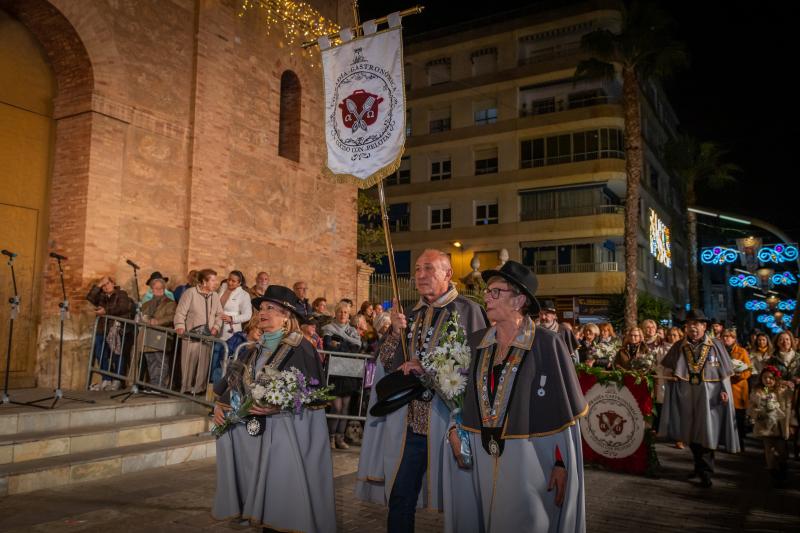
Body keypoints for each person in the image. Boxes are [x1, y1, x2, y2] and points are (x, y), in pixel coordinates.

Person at [443, 260, 587, 533]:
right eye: (487, 291)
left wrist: (561, 464)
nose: (486, 296)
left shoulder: (548, 343)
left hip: (532, 463)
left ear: (519, 299)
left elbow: (564, 415)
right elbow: (461, 400)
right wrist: (454, 427)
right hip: (481, 462)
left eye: (495, 291)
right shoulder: (476, 342)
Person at [355, 249, 488, 533]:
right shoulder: (410, 314)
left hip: (451, 422)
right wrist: (393, 333)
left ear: (448, 274)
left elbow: (478, 367)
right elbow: (390, 365)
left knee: (463, 500)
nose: (420, 275)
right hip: (412, 424)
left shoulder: (469, 311)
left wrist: (428, 370)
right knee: (400, 495)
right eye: (417, 269)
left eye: (428, 268)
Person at [212, 285, 335, 532]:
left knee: (281, 496)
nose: (263, 313)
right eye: (261, 308)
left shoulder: (301, 346)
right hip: (257, 433)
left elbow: (313, 393)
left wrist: (279, 407)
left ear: (286, 316)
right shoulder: (254, 349)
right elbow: (235, 382)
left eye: (270, 308)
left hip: (286, 432)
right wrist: (220, 404)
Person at [659, 309, 739, 488]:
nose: (692, 327)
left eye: (696, 324)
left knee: (707, 431)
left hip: (709, 394)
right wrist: (671, 375)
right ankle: (698, 466)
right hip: (687, 393)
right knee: (691, 431)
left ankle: (706, 472)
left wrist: (724, 390)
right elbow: (668, 368)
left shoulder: (716, 345)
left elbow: (724, 372)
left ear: (704, 326)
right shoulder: (679, 345)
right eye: (689, 324)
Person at [174, 269, 223, 395]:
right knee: (188, 363)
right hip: (191, 335)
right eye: (212, 280)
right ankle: (186, 388)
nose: (215, 283)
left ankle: (199, 389)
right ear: (203, 281)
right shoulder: (190, 293)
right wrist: (180, 326)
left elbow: (219, 314)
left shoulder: (215, 296)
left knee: (204, 364)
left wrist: (216, 327)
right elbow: (180, 312)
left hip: (207, 336)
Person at [321, 301, 363, 449]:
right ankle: (331, 438)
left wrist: (341, 345)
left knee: (345, 407)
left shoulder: (352, 331)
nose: (342, 314)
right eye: (340, 311)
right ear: (335, 313)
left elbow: (357, 348)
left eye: (345, 312)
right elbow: (328, 346)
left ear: (349, 315)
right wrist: (346, 347)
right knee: (336, 407)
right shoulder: (329, 329)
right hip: (334, 371)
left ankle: (340, 438)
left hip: (349, 372)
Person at [748, 366, 795, 487]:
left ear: (775, 379)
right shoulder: (757, 391)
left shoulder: (782, 391)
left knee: (782, 451)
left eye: (771, 378)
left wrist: (790, 424)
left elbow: (789, 408)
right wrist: (756, 413)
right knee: (769, 451)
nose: (768, 380)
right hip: (766, 426)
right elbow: (752, 406)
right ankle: (774, 475)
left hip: (779, 425)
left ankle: (783, 470)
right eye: (765, 377)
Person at [87, 276, 135, 390]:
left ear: (113, 283)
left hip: (115, 329)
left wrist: (106, 312)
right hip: (101, 329)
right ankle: (106, 379)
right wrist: (98, 285)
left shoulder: (121, 294)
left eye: (107, 283)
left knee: (117, 354)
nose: (106, 286)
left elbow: (123, 308)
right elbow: (89, 297)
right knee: (100, 353)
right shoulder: (101, 297)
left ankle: (117, 380)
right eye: (103, 285)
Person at [137, 275, 177, 388]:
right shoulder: (146, 304)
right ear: (152, 289)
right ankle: (154, 384)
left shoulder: (170, 303)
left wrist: (158, 321)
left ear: (164, 289)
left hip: (161, 336)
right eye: (156, 288)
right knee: (151, 362)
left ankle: (161, 385)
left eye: (161, 288)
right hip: (148, 335)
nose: (158, 290)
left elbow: (172, 316)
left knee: (161, 362)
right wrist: (141, 318)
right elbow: (142, 316)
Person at [213, 271, 253, 383]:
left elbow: (247, 315)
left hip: (230, 332)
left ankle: (220, 387)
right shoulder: (222, 287)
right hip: (216, 327)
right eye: (229, 279)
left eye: (233, 281)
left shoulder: (244, 295)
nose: (230, 282)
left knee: (224, 360)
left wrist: (232, 318)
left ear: (239, 283)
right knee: (214, 357)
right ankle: (210, 385)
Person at [720, 328, 752, 452]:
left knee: (737, 419)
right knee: (724, 417)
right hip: (723, 388)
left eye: (729, 336)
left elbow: (748, 370)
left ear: (734, 338)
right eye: (724, 336)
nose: (726, 338)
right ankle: (726, 442)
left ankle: (739, 443)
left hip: (738, 388)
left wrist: (738, 376)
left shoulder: (741, 351)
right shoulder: (718, 351)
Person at [655, 326, 684, 447]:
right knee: (668, 410)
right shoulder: (661, 349)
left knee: (680, 410)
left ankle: (680, 437)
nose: (671, 337)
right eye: (670, 335)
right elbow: (659, 365)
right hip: (667, 381)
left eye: (674, 335)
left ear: (679, 336)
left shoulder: (683, 348)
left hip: (680, 382)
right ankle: (669, 433)